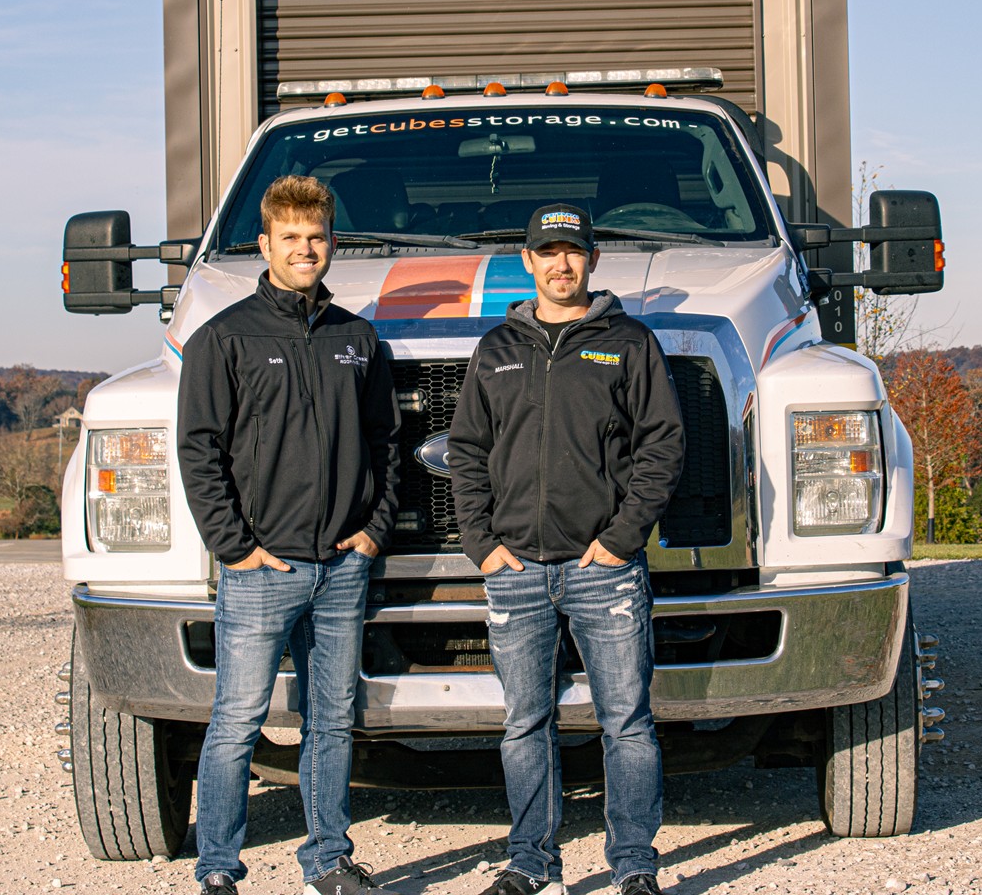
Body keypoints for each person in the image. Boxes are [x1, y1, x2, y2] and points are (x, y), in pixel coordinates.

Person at [449, 203, 686, 895]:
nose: (561, 264)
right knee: (525, 723)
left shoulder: (630, 343)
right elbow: (466, 453)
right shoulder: (496, 350)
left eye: (573, 252)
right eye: (547, 252)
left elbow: (662, 446)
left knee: (627, 722)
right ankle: (531, 862)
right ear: (527, 261)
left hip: (602, 571)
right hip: (515, 570)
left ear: (592, 260)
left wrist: (620, 539)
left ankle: (635, 864)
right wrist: (482, 545)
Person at [178, 174, 400, 895]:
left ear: (331, 242)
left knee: (330, 723)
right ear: (265, 244)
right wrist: (234, 546)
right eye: (291, 239)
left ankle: (328, 862)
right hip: (260, 570)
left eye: (317, 237)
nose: (306, 250)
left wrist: (372, 530)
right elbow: (199, 451)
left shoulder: (358, 340)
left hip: (342, 566)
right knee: (237, 724)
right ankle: (217, 871)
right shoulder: (225, 339)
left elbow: (386, 443)